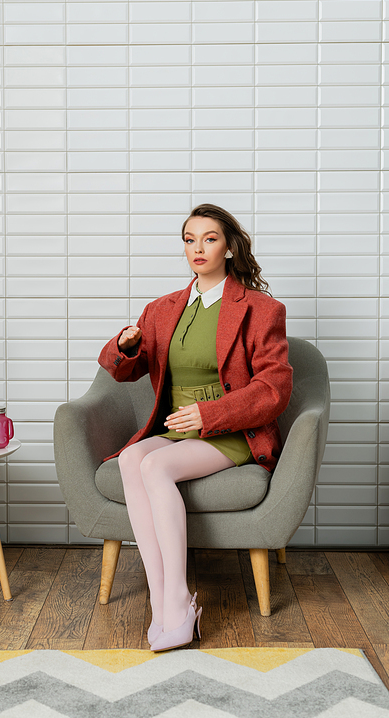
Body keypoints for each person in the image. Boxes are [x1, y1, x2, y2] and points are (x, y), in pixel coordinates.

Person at [98, 204, 293, 652]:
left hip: (230, 431)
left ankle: (179, 598)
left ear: (228, 248)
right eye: (190, 240)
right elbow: (123, 369)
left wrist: (211, 415)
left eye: (209, 239)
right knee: (131, 457)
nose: (198, 248)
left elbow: (275, 388)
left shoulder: (261, 309)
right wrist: (125, 346)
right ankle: (162, 598)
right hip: (176, 428)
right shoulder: (162, 309)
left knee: (154, 468)